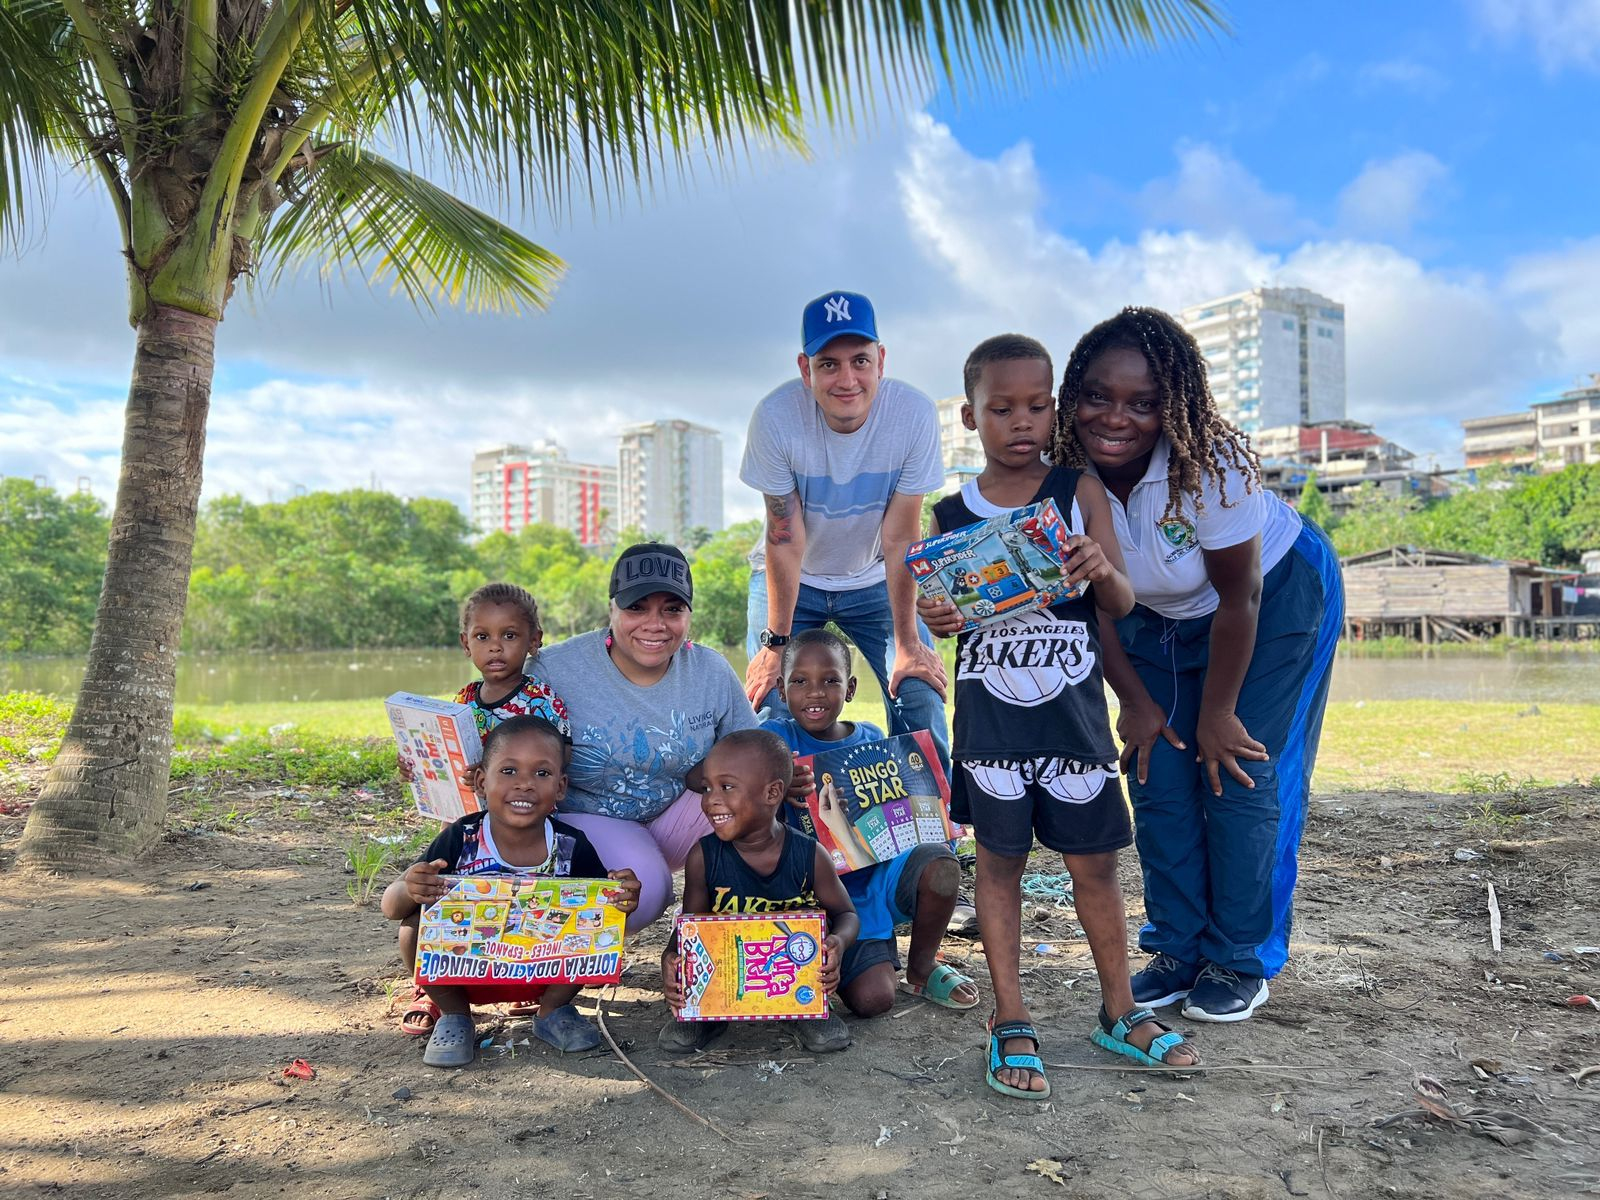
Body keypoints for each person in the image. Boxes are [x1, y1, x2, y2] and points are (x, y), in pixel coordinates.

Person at [918, 333, 1201, 1100]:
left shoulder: (1078, 494)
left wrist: (1099, 567)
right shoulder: (949, 514)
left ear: (1054, 409)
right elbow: (936, 613)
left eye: (1037, 406)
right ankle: (1010, 1015)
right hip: (992, 728)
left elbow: (1120, 603)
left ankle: (1119, 1010)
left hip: (1073, 721)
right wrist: (937, 618)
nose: (1022, 422)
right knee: (1000, 868)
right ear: (970, 417)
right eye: (1001, 408)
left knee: (1097, 868)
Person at [1049, 306, 1345, 1023]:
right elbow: (1091, 606)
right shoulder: (1056, 478)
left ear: (1171, 405)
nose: (1116, 418)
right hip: (1155, 615)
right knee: (1156, 768)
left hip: (1272, 600)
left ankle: (1241, 957)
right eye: (1096, 395)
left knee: (1241, 769)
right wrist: (1136, 702)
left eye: (1144, 403)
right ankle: (1179, 947)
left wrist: (1217, 712)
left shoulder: (1209, 464)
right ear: (1071, 396)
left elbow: (1240, 596)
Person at [740, 289, 950, 772]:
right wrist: (774, 648)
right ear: (805, 368)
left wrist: (908, 645)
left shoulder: (912, 415)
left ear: (881, 359)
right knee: (769, 701)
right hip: (796, 579)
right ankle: (784, 835)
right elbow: (784, 539)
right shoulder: (775, 419)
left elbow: (901, 538)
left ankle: (934, 833)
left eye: (860, 360)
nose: (847, 379)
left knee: (919, 691)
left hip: (876, 577)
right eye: (828, 364)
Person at [382, 716, 642, 1067]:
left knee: (601, 918)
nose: (525, 784)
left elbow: (602, 912)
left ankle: (552, 1013)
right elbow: (392, 906)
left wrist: (621, 899)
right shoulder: (462, 837)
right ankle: (454, 1017)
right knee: (413, 923)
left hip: (543, 976)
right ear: (480, 781)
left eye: (542, 773)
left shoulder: (570, 845)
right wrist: (413, 886)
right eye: (508, 771)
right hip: (464, 973)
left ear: (561, 787)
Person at [530, 543, 759, 930]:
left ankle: (727, 936)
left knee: (765, 800)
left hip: (679, 815)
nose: (655, 624)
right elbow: (500, 741)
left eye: (672, 609)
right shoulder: (555, 668)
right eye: (637, 607)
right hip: (591, 818)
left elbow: (753, 751)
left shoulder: (710, 671)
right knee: (644, 893)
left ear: (689, 614)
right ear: (612, 609)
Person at [760, 629, 979, 1017]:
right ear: (780, 689)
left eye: (830, 680)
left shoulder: (871, 738)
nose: (814, 693)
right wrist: (774, 783)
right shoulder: (772, 739)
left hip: (870, 884)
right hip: (805, 895)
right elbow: (725, 788)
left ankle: (921, 967)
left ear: (850, 688)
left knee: (940, 863)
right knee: (869, 998)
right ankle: (829, 958)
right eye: (799, 682)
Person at [659, 729, 859, 1054]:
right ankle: (709, 1012)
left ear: (772, 793)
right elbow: (690, 925)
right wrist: (669, 958)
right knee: (677, 1040)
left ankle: (803, 1010)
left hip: (795, 973)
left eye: (726, 787)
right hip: (725, 971)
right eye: (707, 787)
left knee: (827, 1039)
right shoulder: (703, 857)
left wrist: (838, 942)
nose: (710, 800)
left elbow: (846, 914)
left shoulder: (809, 855)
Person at [453, 582, 569, 736]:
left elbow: (560, 755)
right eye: (482, 637)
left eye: (509, 636)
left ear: (533, 641)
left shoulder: (540, 701)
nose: (495, 647)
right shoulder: (464, 700)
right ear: (466, 644)